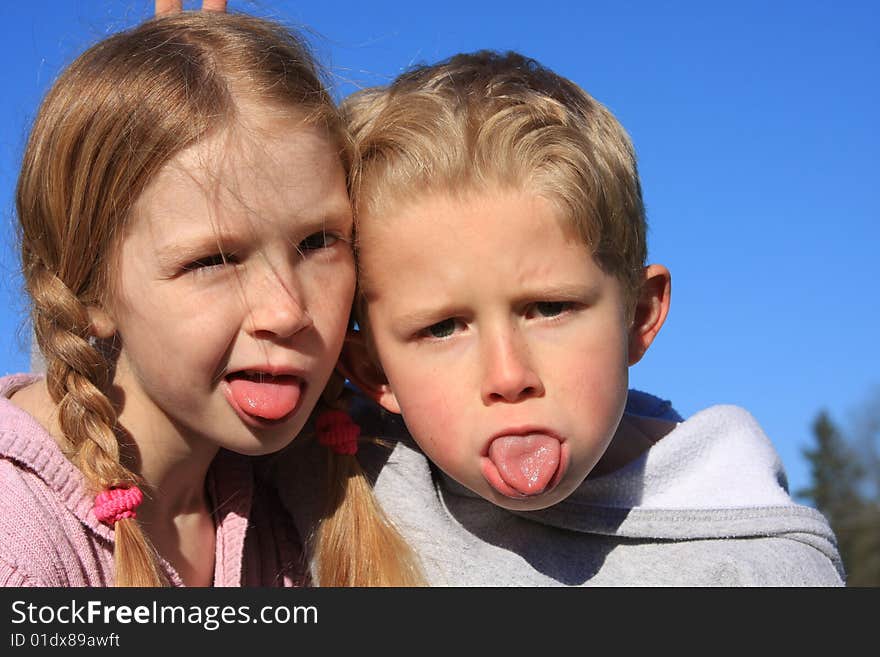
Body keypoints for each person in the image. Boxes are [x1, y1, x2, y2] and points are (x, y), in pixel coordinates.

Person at [273, 50, 845, 585]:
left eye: (549, 308)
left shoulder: (767, 568)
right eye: (442, 328)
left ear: (638, 315)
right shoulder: (329, 479)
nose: (507, 376)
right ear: (371, 371)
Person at [1, 10, 421, 587]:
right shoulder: (18, 542)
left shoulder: (296, 483)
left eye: (319, 242)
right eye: (213, 261)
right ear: (88, 290)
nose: (287, 312)